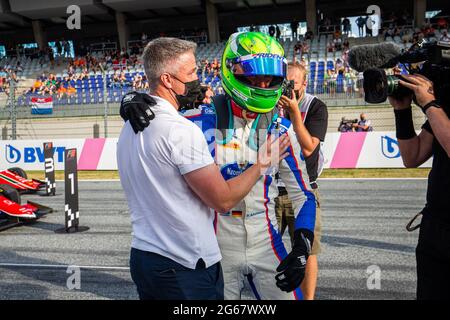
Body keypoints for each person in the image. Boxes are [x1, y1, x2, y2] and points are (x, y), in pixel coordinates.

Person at [121, 32, 316, 300]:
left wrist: (302, 246)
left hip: (266, 240)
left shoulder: (282, 129)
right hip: (215, 246)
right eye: (254, 77)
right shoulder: (195, 121)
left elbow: (304, 194)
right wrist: (134, 98)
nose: (263, 84)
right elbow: (161, 113)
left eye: (270, 78)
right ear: (231, 71)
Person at [389, 74, 450, 299]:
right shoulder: (444, 108)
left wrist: (430, 104)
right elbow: (412, 157)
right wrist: (402, 111)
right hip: (435, 225)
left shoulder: (436, 108)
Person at [277, 62, 328, 300]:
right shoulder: (269, 102)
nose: (286, 89)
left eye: (292, 84)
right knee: (264, 249)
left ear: (304, 84)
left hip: (305, 189)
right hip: (270, 189)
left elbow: (308, 149)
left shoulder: (315, 106)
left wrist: (294, 113)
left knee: (306, 252)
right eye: (282, 82)